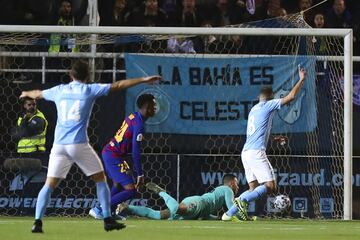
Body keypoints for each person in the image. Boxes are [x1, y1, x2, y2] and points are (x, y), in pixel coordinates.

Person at [19, 59, 160, 233]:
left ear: (71, 75)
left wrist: (27, 92)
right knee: (100, 179)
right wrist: (144, 80)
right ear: (88, 76)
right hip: (78, 144)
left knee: (48, 185)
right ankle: (107, 218)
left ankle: (37, 222)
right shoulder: (89, 90)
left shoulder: (59, 90)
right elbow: (119, 85)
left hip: (59, 146)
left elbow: (38, 93)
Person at [222, 65, 306, 221]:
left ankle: (228, 214)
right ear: (271, 97)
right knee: (270, 186)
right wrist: (301, 80)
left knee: (253, 188)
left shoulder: (254, 109)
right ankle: (243, 200)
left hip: (246, 152)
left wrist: (273, 138)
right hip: (255, 152)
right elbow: (290, 98)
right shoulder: (269, 105)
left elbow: (257, 131)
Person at [89, 93, 157, 219]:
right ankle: (100, 209)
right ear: (146, 106)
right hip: (113, 155)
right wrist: (140, 174)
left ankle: (109, 213)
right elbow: (136, 151)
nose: (156, 107)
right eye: (154, 105)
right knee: (131, 190)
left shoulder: (133, 117)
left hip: (113, 154)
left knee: (118, 184)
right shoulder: (139, 125)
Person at [117, 174, 239, 220]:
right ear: (231, 183)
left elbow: (206, 213)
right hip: (198, 203)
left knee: (157, 215)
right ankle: (161, 192)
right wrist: (243, 216)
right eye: (237, 183)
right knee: (175, 209)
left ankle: (127, 207)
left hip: (199, 210)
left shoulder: (219, 193)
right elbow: (231, 208)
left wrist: (217, 218)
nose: (237, 187)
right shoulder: (228, 189)